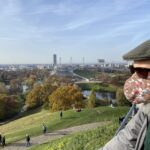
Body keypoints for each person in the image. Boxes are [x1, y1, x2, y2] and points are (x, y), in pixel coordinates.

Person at [99, 40, 150, 150]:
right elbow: (126, 139)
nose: (134, 80)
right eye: (134, 70)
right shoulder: (146, 111)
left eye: (143, 71)